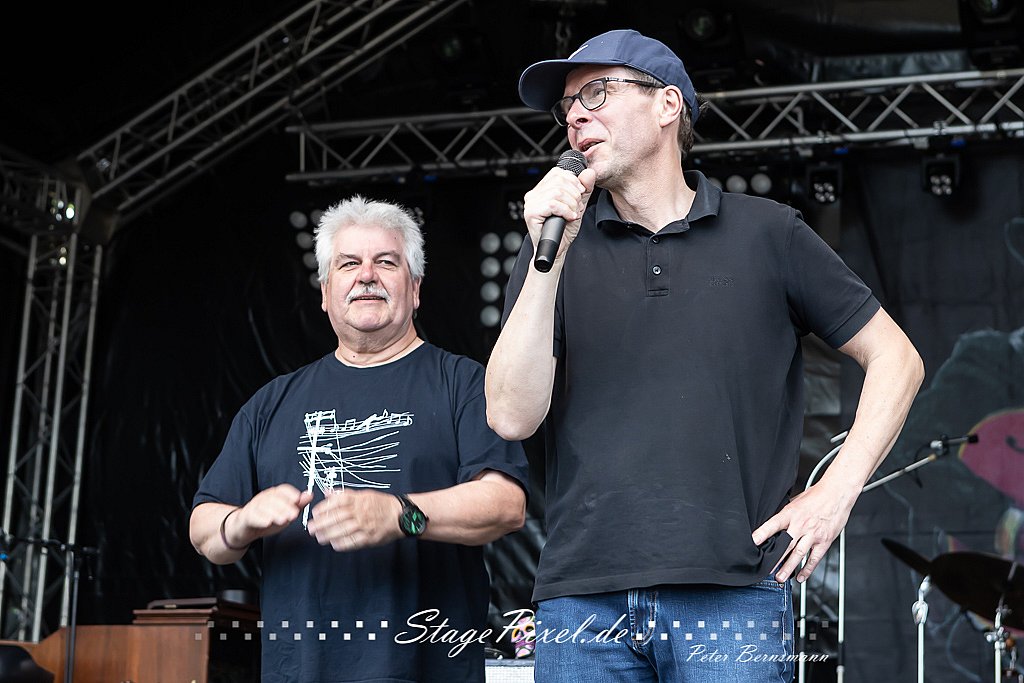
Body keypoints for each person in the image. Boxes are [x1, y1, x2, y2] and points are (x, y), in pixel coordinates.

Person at [484, 29, 924, 682]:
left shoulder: (768, 232)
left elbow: (897, 358)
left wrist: (836, 491)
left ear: (667, 104)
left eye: (596, 93)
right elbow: (510, 415)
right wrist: (550, 255)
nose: (575, 115)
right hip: (582, 596)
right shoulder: (554, 245)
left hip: (732, 592)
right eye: (567, 105)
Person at [189, 195, 529, 683]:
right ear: (326, 292)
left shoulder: (463, 383)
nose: (366, 275)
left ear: (415, 289)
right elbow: (204, 527)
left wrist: (400, 514)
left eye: (386, 262)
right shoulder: (271, 402)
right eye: (349, 264)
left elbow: (505, 505)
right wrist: (241, 522)